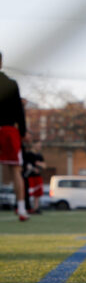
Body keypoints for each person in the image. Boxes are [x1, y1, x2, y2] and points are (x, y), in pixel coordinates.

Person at [0, 52, 29, 221]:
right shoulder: (11, 84)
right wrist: (23, 132)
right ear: (1, 62)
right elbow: (19, 110)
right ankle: (22, 208)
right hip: (9, 130)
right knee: (16, 170)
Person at [25, 141, 46, 214]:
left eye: (40, 145)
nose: (39, 147)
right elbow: (27, 165)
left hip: (37, 177)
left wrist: (39, 164)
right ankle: (28, 208)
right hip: (30, 177)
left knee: (37, 193)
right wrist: (34, 169)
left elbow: (44, 166)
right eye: (38, 145)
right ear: (34, 145)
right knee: (30, 192)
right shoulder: (28, 154)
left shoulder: (39, 155)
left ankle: (36, 208)